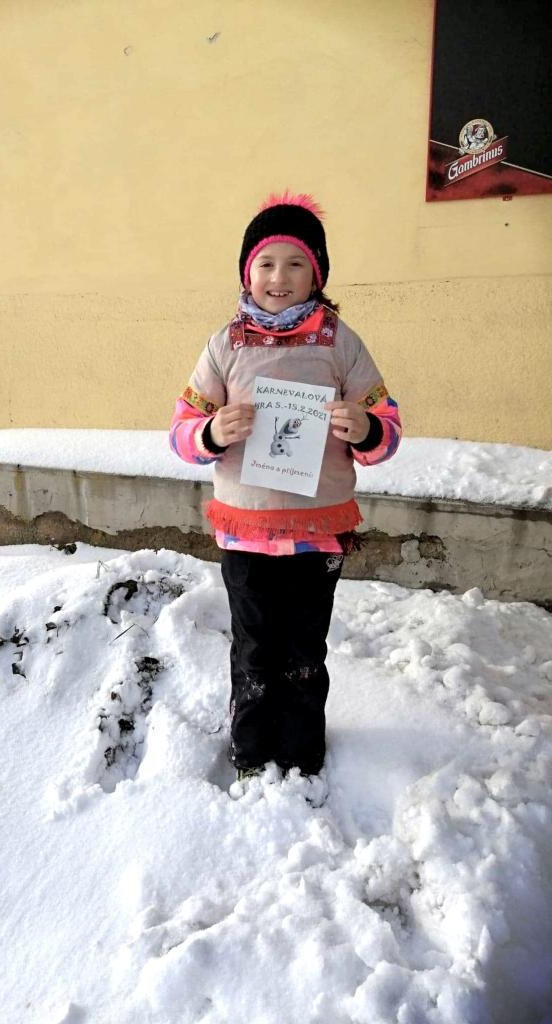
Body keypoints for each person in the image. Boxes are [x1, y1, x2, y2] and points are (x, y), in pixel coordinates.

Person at [169, 191, 402, 781]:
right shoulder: (225, 345)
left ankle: (301, 754)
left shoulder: (340, 342)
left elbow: (387, 427)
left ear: (316, 274)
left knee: (303, 653)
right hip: (245, 533)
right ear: (247, 274)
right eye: (266, 264)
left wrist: (366, 428)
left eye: (296, 263)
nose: (279, 277)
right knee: (252, 649)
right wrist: (212, 432)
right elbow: (181, 432)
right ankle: (250, 752)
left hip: (317, 534)